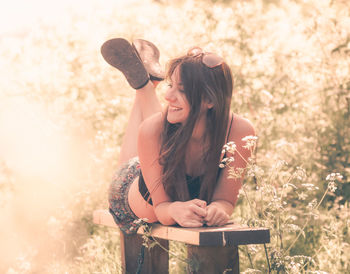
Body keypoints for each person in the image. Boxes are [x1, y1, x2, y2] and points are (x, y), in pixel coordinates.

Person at [101, 38, 255, 234]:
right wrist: (173, 209)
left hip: (154, 164)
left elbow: (225, 200)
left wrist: (218, 209)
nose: (168, 96)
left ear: (209, 99)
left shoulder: (241, 131)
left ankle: (147, 85)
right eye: (170, 85)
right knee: (144, 142)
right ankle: (145, 88)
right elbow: (162, 210)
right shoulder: (151, 129)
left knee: (161, 127)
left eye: (181, 90)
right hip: (130, 189)